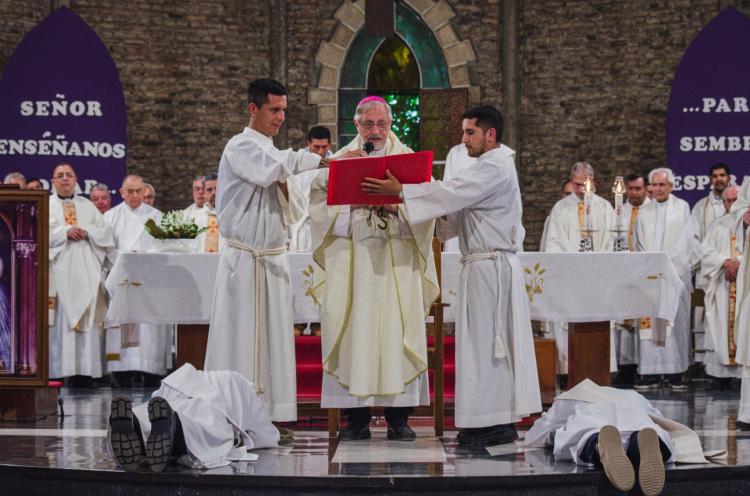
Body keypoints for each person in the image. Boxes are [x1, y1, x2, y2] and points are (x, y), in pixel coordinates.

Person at [362, 105, 541, 446]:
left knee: (490, 348)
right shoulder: (484, 166)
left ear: (490, 134)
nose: (463, 139)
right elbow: (453, 214)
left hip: (492, 270)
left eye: (470, 132)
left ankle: (495, 422)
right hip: (481, 267)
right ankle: (482, 420)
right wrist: (404, 210)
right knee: (479, 347)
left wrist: (401, 191)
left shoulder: (496, 166)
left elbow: (451, 193)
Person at [309, 95, 438, 442]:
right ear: (357, 125)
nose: (376, 130)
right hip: (354, 262)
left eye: (382, 123)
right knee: (354, 332)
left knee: (398, 334)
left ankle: (400, 419)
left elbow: (428, 211)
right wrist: (351, 205)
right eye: (369, 124)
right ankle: (356, 420)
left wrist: (400, 203)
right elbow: (318, 213)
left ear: (391, 124)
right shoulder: (339, 161)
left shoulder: (408, 159)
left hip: (397, 261)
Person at [203, 79, 327, 425]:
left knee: (274, 343)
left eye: (284, 110)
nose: (281, 117)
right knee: (238, 341)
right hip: (244, 261)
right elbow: (274, 168)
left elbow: (295, 205)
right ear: (253, 109)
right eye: (274, 109)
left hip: (272, 259)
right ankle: (231, 415)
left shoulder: (271, 151)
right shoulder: (241, 146)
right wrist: (321, 160)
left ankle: (272, 416)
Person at [525, 379, 718, 496]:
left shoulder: (572, 396)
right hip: (633, 413)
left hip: (592, 413)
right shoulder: (631, 395)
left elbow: (538, 435)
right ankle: (643, 444)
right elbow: (656, 415)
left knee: (580, 433)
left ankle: (597, 445)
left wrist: (551, 433)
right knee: (647, 427)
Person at [108, 363, 280, 472]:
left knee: (151, 413)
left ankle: (135, 423)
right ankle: (173, 426)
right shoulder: (241, 385)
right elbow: (265, 436)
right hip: (212, 406)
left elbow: (158, 397)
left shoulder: (205, 376)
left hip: (175, 391)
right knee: (205, 429)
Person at [542, 162, 616, 381]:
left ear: (594, 181)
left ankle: (600, 370)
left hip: (598, 277)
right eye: (576, 185)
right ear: (570, 182)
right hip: (569, 278)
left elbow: (611, 240)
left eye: (585, 184)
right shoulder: (560, 208)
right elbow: (554, 243)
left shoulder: (604, 207)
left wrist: (596, 263)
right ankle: (568, 372)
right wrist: (574, 265)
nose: (581, 189)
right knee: (567, 322)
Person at [48, 163, 114, 383]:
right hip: (59, 274)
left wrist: (88, 232)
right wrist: (65, 231)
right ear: (53, 181)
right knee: (61, 321)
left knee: (88, 319)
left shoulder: (87, 206)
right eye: (60, 175)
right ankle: (61, 372)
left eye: (69, 175)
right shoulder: (46, 205)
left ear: (76, 180)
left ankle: (86, 372)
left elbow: (105, 233)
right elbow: (40, 233)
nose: (65, 179)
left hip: (86, 272)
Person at [633, 168, 697, 389]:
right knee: (649, 325)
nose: (658, 189)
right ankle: (650, 373)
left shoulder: (682, 208)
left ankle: (674, 372)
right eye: (655, 185)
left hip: (673, 276)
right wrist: (651, 266)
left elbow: (685, 242)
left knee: (674, 324)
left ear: (671, 185)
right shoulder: (644, 212)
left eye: (662, 185)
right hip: (650, 278)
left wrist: (667, 268)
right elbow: (640, 243)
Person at [104, 174, 170, 381]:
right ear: (122, 193)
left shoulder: (157, 216)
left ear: (144, 192)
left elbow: (164, 245)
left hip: (148, 281)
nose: (135, 195)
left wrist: (145, 259)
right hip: (121, 278)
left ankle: (149, 369)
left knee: (148, 329)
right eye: (130, 191)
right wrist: (125, 260)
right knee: (121, 323)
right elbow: (106, 248)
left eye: (138, 191)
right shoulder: (110, 217)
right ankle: (122, 371)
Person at [697, 185, 746, 386]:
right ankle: (721, 377)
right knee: (720, 326)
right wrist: (726, 262)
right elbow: (705, 253)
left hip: (745, 287)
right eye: (728, 201)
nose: (732, 205)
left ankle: (743, 376)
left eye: (736, 200)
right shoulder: (717, 226)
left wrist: (740, 264)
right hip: (723, 286)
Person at [614, 173, 652, 385]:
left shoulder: (652, 211)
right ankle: (626, 367)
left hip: (643, 271)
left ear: (645, 188)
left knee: (643, 321)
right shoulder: (619, 211)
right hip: (623, 271)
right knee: (624, 322)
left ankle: (643, 365)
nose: (635, 193)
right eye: (631, 189)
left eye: (638, 189)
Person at [287, 126, 332, 253]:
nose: (320, 151)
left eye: (324, 147)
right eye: (316, 147)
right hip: (301, 221)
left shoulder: (335, 164)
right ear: (308, 143)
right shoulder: (298, 163)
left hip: (325, 221)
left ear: (329, 144)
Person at [441, 143, 476, 252]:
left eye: (470, 132)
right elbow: (447, 193)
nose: (465, 138)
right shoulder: (456, 153)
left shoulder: (502, 157)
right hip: (459, 222)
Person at [692, 163, 731, 243]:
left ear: (729, 178)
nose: (718, 179)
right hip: (708, 253)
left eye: (722, 175)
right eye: (715, 176)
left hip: (734, 253)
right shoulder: (701, 206)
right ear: (711, 180)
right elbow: (694, 236)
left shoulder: (739, 203)